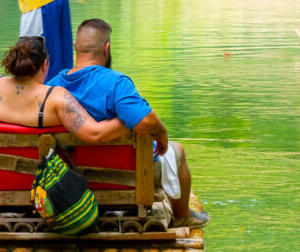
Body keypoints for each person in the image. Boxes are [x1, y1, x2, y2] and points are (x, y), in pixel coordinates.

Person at [47, 18, 209, 228]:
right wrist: (162, 131)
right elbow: (144, 122)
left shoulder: (52, 86)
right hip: (127, 174)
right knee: (178, 151)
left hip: (68, 175)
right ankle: (182, 215)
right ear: (107, 47)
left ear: (75, 47)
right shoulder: (115, 83)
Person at [0, 36, 124, 140]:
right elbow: (95, 134)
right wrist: (132, 119)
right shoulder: (56, 98)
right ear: (45, 64)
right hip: (36, 178)